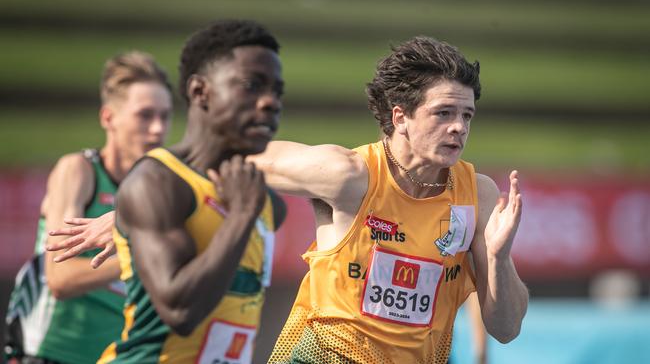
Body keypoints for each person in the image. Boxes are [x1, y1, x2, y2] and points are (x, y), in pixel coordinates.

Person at [49, 36, 528, 363]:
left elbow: (506, 328)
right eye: (444, 113)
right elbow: (229, 157)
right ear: (400, 116)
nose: (459, 128)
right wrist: (135, 210)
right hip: (324, 355)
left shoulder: (477, 194)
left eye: (467, 115)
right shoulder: (348, 174)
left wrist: (497, 256)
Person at [59, 20, 285, 364]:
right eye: (252, 85)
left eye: (277, 91)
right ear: (200, 92)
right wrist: (240, 216)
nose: (270, 102)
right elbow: (179, 311)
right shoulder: (158, 181)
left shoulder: (264, 201)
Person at [4, 51, 173, 364]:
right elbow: (61, 278)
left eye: (165, 116)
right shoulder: (80, 171)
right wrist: (144, 256)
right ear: (108, 117)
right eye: (145, 115)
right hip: (48, 354)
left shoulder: (159, 193)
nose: (157, 129)